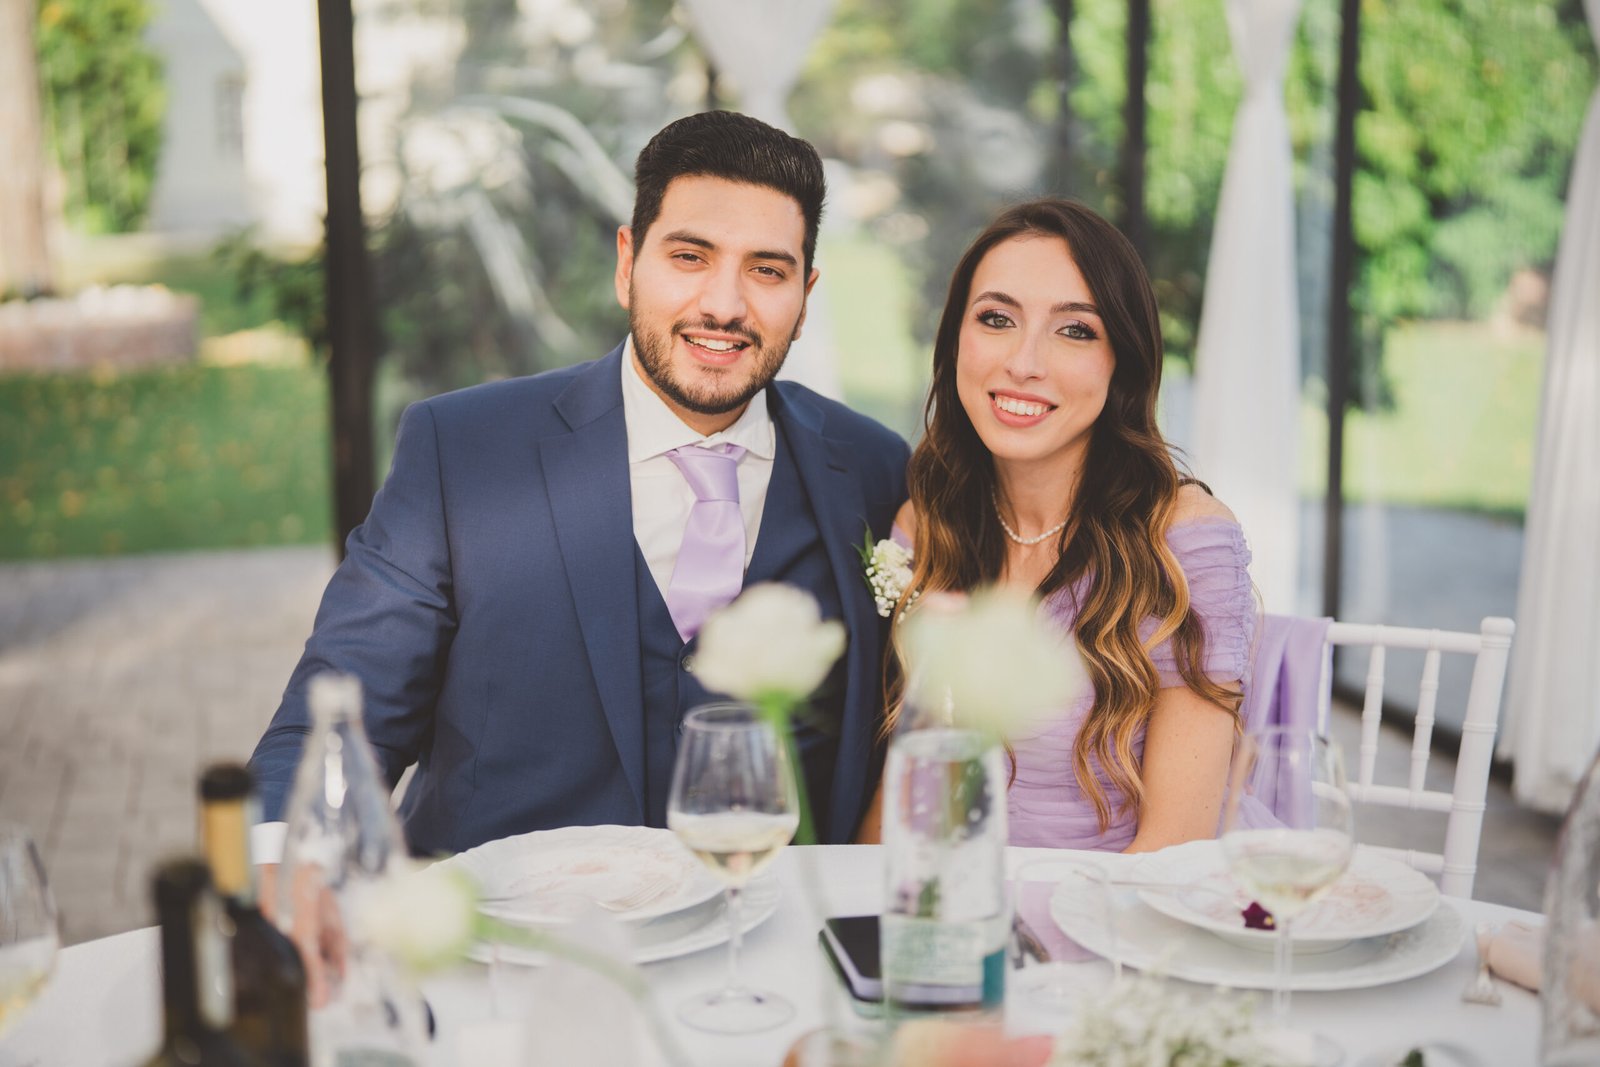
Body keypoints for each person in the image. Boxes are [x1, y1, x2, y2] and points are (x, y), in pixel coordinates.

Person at [248, 110, 910, 864]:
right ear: (627, 264)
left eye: (767, 270)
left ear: (806, 292)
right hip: (502, 927)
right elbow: (340, 719)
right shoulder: (462, 452)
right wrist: (283, 862)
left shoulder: (871, 469)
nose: (725, 305)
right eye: (690, 256)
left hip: (764, 927)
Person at [858, 198, 1255, 852]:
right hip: (960, 903)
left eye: (1074, 330)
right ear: (955, 338)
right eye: (996, 319)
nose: (1024, 363)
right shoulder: (925, 529)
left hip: (1125, 907)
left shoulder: (1183, 540)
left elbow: (1174, 848)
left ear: (1122, 361)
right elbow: (905, 801)